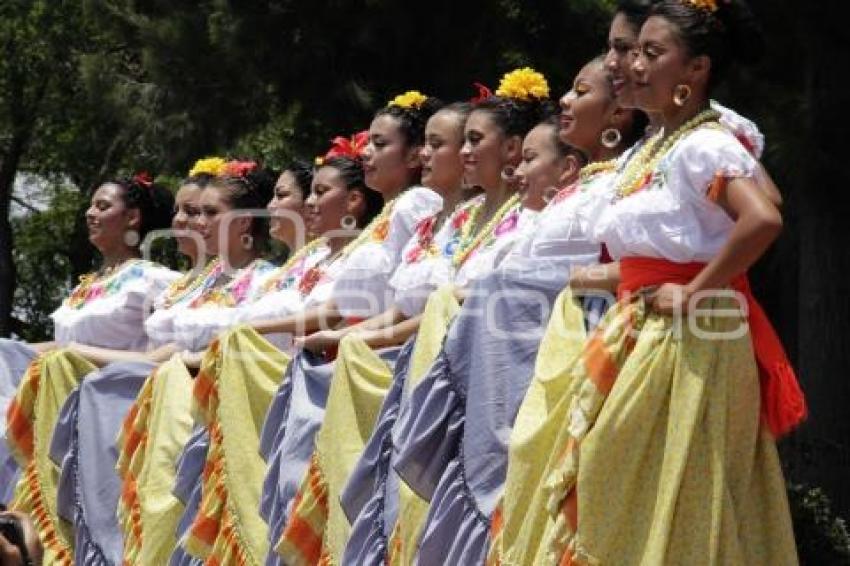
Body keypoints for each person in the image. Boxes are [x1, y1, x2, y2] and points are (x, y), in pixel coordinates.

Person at [505, 1, 802, 563]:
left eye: (653, 53)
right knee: (618, 481)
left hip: (691, 340)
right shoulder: (660, 144)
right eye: (635, 51)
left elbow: (763, 218)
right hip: (644, 328)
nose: (635, 65)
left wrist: (695, 289)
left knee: (667, 483)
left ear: (696, 70)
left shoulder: (702, 143)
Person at [0, 173, 177, 523]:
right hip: (60, 394)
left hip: (112, 402)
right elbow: (65, 345)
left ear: (132, 218)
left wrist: (75, 354)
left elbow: (166, 349)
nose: (89, 213)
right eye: (90, 205)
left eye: (102, 206)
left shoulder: (155, 280)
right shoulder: (90, 284)